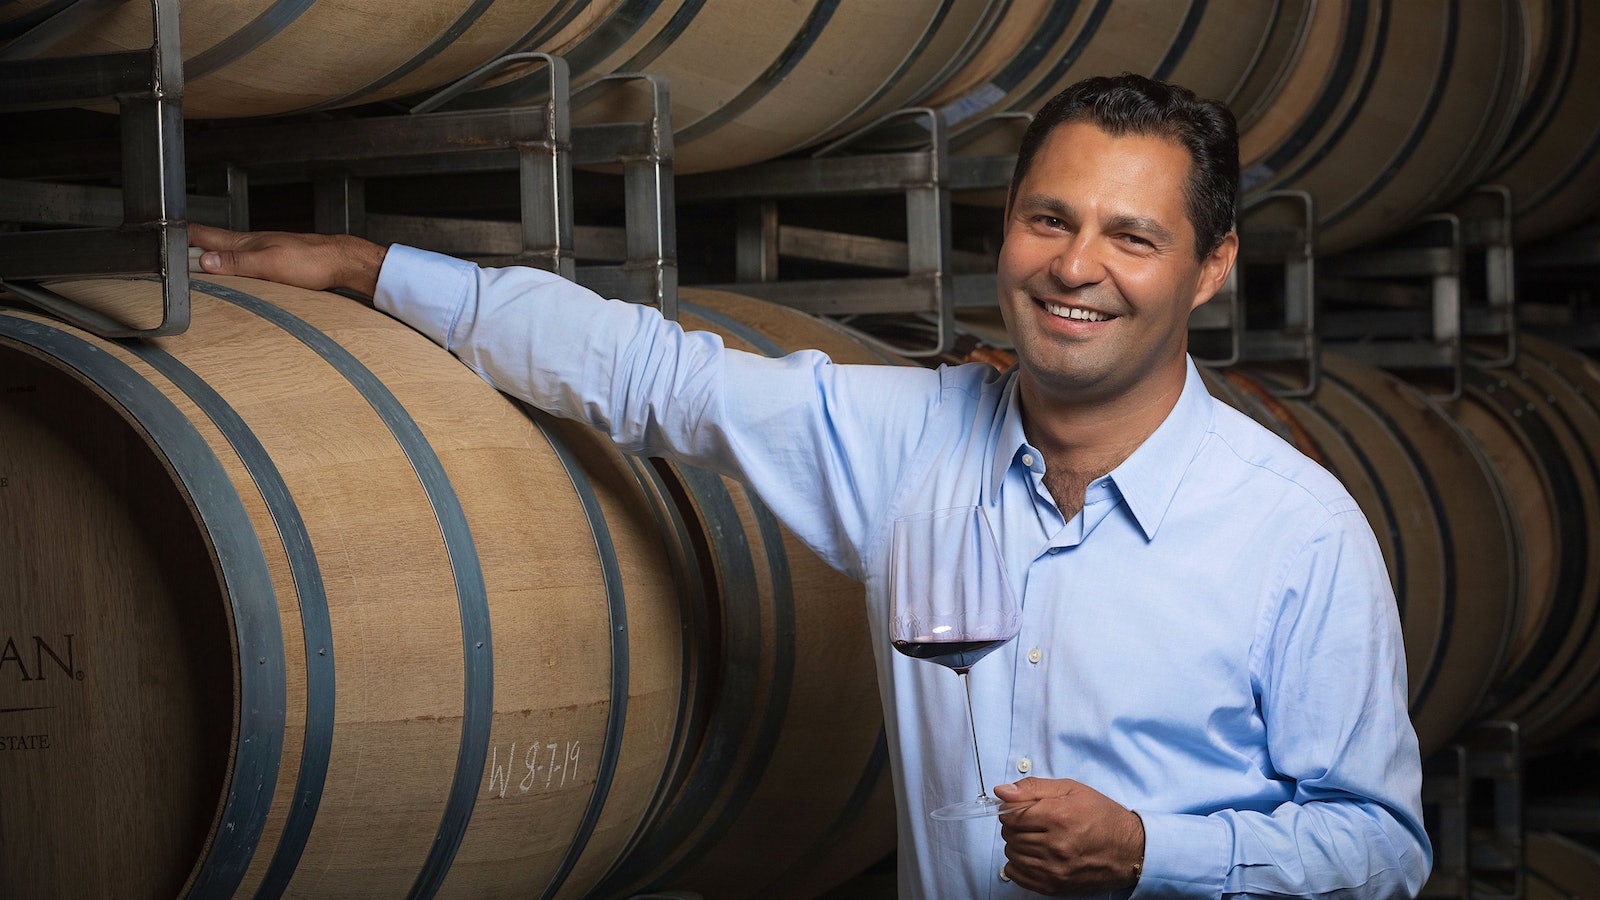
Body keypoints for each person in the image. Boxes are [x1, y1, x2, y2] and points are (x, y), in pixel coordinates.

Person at [189, 73, 1431, 898]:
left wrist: (1151, 851)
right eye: (1048, 220)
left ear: (1209, 268)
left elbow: (1383, 848)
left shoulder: (1295, 533)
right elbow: (652, 375)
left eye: (1132, 236)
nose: (1077, 268)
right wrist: (366, 267)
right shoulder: (910, 445)